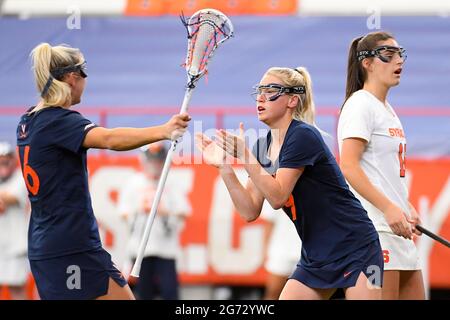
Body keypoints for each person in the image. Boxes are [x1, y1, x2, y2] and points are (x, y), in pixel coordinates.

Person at [16, 43, 190, 300]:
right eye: (84, 73)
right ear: (72, 78)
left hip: (44, 245)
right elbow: (109, 139)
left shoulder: (27, 121)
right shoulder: (59, 121)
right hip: (72, 246)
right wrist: (163, 130)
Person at [196, 66, 383, 300]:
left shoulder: (302, 136)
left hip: (356, 247)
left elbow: (278, 197)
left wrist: (244, 155)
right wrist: (224, 167)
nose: (261, 98)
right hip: (316, 256)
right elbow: (249, 210)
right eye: (259, 91)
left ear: (292, 100)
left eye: (271, 90)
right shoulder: (262, 147)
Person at [338, 31, 425, 300]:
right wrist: (388, 207)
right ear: (367, 63)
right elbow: (349, 166)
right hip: (375, 232)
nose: (398, 61)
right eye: (389, 56)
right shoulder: (360, 105)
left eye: (400, 55)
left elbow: (384, 172)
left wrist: (405, 206)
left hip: (398, 231)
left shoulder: (387, 109)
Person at [117, 142, 190, 300]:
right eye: (152, 160)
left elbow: (183, 211)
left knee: (170, 292)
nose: (155, 164)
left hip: (166, 249)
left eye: (158, 160)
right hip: (140, 249)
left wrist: (165, 212)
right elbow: (123, 212)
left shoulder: (171, 183)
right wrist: (139, 209)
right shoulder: (134, 182)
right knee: (143, 293)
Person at [0, 142, 30, 300]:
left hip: (15, 246)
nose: (4, 162)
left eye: (7, 158)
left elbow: (12, 198)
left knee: (17, 288)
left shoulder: (20, 177)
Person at [261, 202, 301, 300]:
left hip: (310, 252)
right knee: (273, 293)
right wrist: (265, 250)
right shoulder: (274, 188)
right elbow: (269, 222)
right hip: (281, 250)